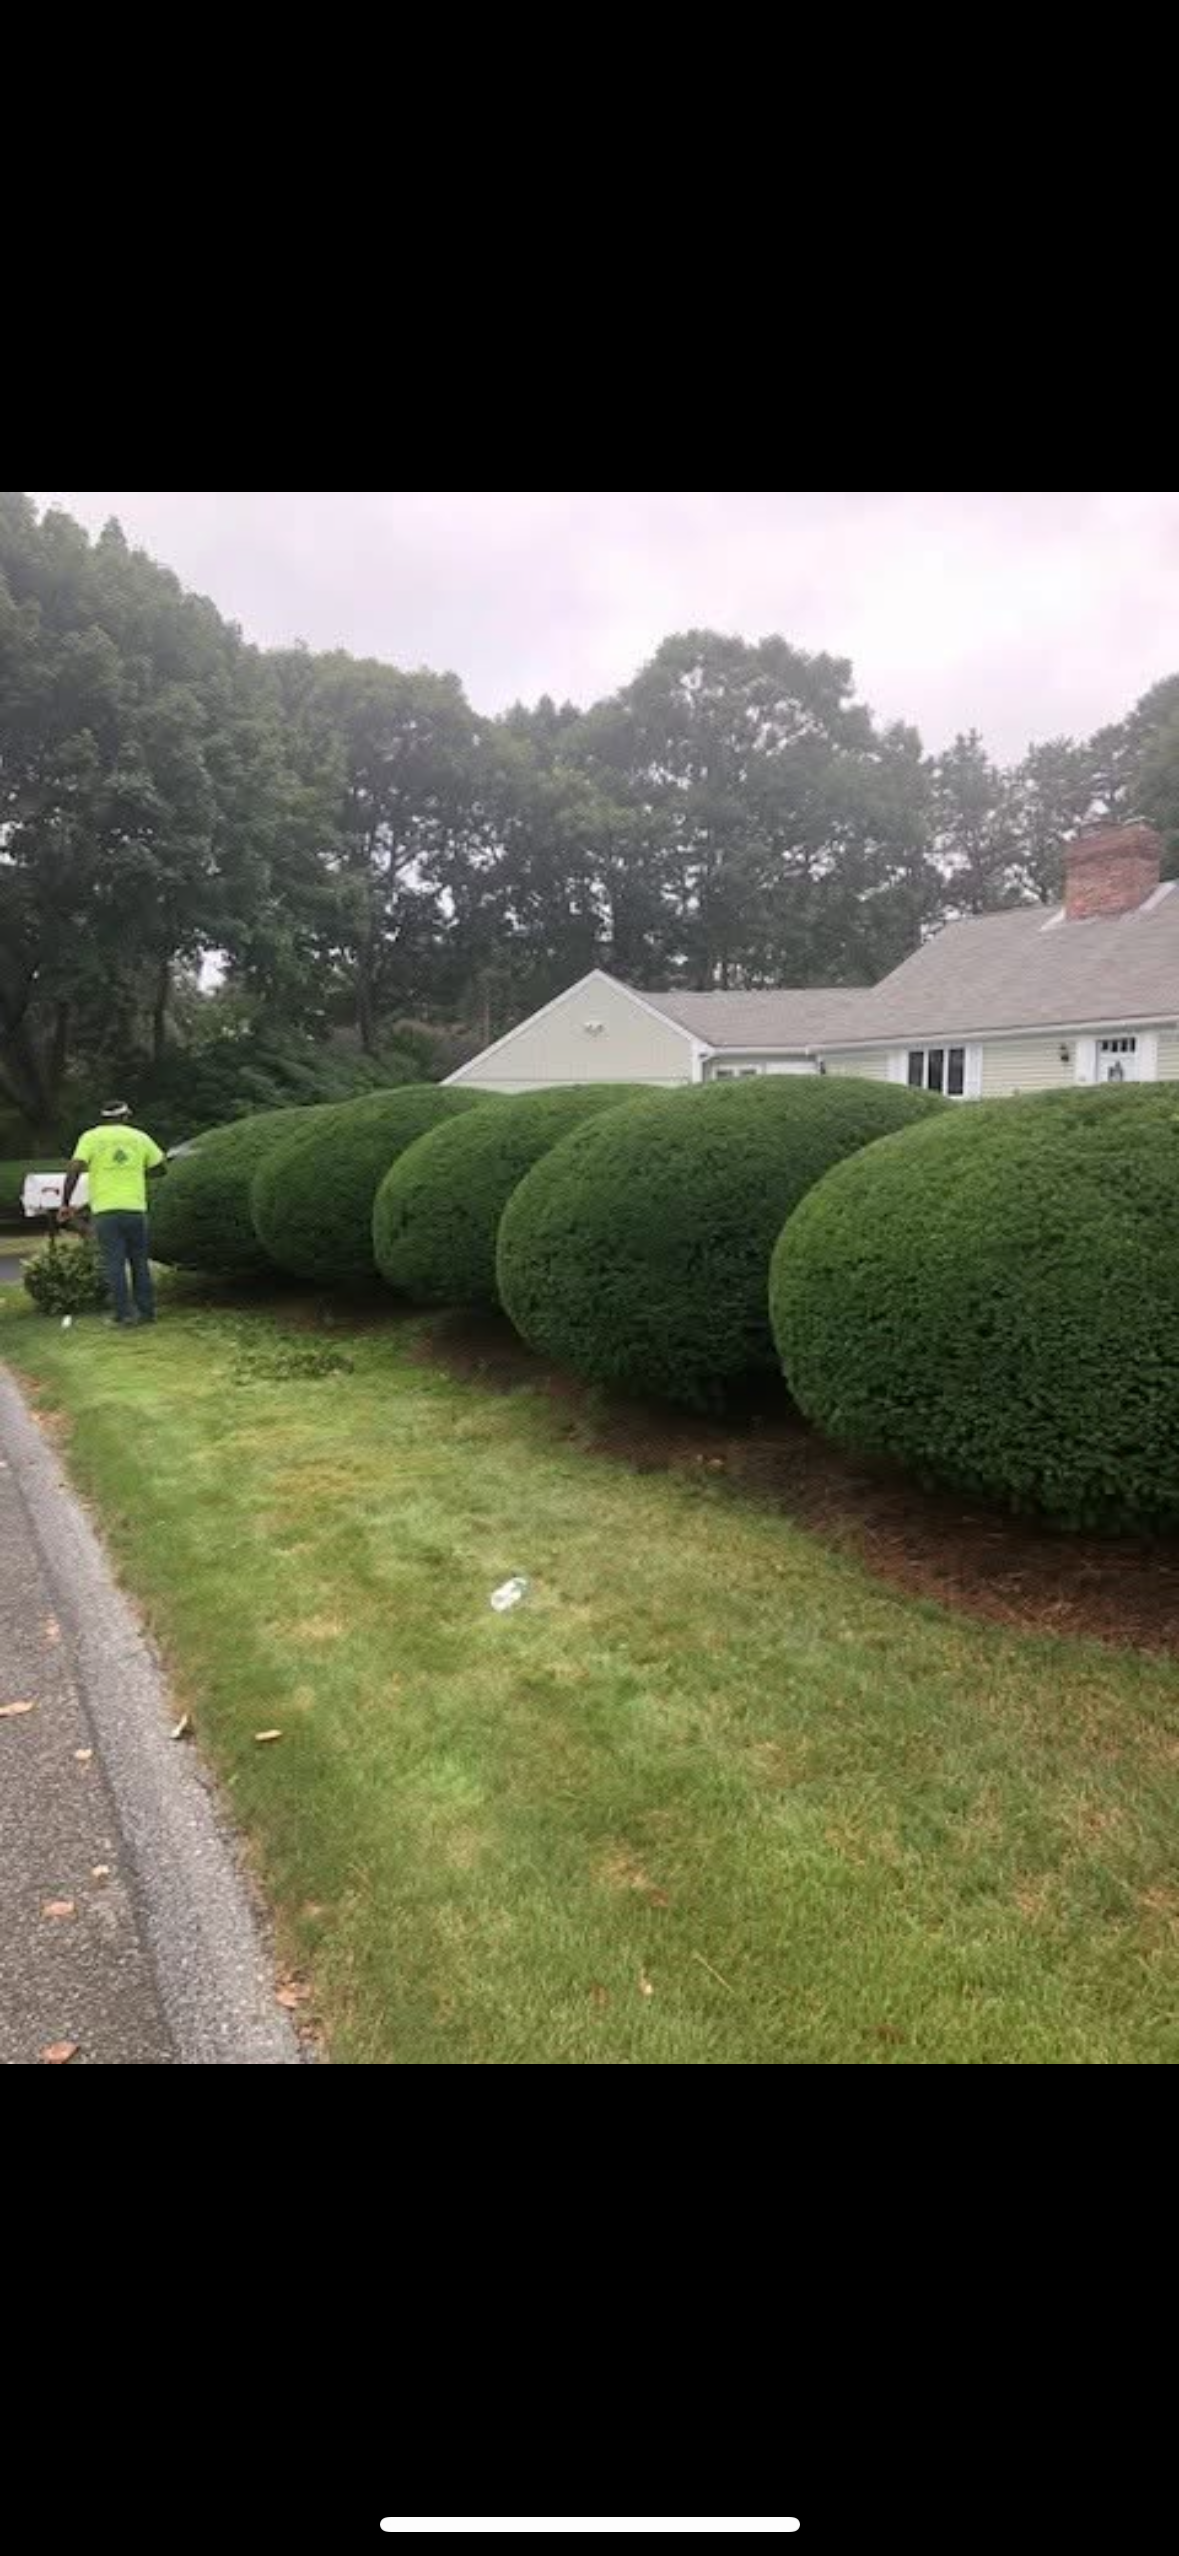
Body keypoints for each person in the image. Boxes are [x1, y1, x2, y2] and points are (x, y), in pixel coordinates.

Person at [60, 1102, 168, 1327]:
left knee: (114, 1264)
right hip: (135, 1209)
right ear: (126, 1117)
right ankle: (147, 1314)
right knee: (139, 1262)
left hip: (106, 1211)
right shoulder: (140, 1137)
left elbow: (74, 1168)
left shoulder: (90, 1137)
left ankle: (124, 1315)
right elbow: (161, 1167)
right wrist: (135, 1172)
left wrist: (65, 1202)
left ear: (103, 1118)